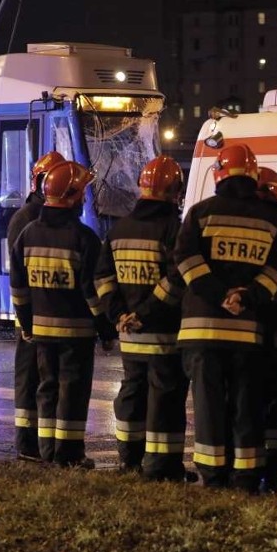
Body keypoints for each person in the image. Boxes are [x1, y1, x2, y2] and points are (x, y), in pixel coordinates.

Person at [173, 144, 277, 493]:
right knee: (247, 405)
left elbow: (185, 260)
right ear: (254, 176)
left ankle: (213, 476)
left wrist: (217, 295)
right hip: (247, 331)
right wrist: (246, 296)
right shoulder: (272, 220)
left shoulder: (199, 213)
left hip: (202, 329)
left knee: (208, 405)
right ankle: (245, 477)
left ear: (220, 173)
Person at [9, 161, 114, 467]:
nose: (84, 199)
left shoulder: (28, 234)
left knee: (46, 389)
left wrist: (27, 324)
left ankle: (46, 450)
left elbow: (19, 289)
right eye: (81, 194)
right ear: (71, 196)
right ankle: (68, 455)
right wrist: (106, 330)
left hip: (40, 333)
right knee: (72, 393)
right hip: (76, 334)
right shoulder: (84, 238)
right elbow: (92, 293)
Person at [95, 155, 189, 481]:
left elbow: (104, 279)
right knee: (166, 400)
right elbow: (178, 280)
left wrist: (119, 314)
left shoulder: (120, 228)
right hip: (164, 336)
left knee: (132, 395)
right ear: (176, 191)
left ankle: (130, 460)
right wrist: (144, 314)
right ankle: (163, 468)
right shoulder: (174, 230)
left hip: (130, 337)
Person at [6, 151, 66, 460]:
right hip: (31, 317)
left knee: (46, 381)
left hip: (45, 315)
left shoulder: (43, 216)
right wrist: (25, 319)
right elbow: (22, 274)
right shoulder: (27, 219)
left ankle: (42, 443)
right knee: (29, 379)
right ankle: (27, 442)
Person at [254, 166, 277, 494]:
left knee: (242, 399)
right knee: (275, 403)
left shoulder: (245, 224)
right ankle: (274, 473)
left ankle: (246, 469)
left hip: (245, 332)